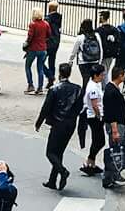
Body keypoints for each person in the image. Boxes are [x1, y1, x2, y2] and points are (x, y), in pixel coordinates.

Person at [33, 63, 81, 192]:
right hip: (70, 123)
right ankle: (52, 180)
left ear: (59, 73)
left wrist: (39, 122)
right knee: (59, 152)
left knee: (50, 152)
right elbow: (79, 107)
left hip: (58, 123)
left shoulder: (54, 89)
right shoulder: (77, 89)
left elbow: (46, 108)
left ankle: (62, 171)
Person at [100, 67, 125, 190]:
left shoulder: (112, 89)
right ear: (120, 76)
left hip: (119, 124)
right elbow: (111, 112)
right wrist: (115, 130)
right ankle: (108, 177)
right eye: (124, 75)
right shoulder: (111, 91)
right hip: (116, 125)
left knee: (118, 149)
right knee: (115, 151)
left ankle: (115, 174)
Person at [22, 12, 50, 95]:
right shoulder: (46, 24)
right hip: (43, 48)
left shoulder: (33, 24)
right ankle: (40, 87)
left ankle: (30, 85)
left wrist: (26, 45)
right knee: (40, 68)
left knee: (28, 66)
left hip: (33, 49)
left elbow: (30, 37)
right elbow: (49, 35)